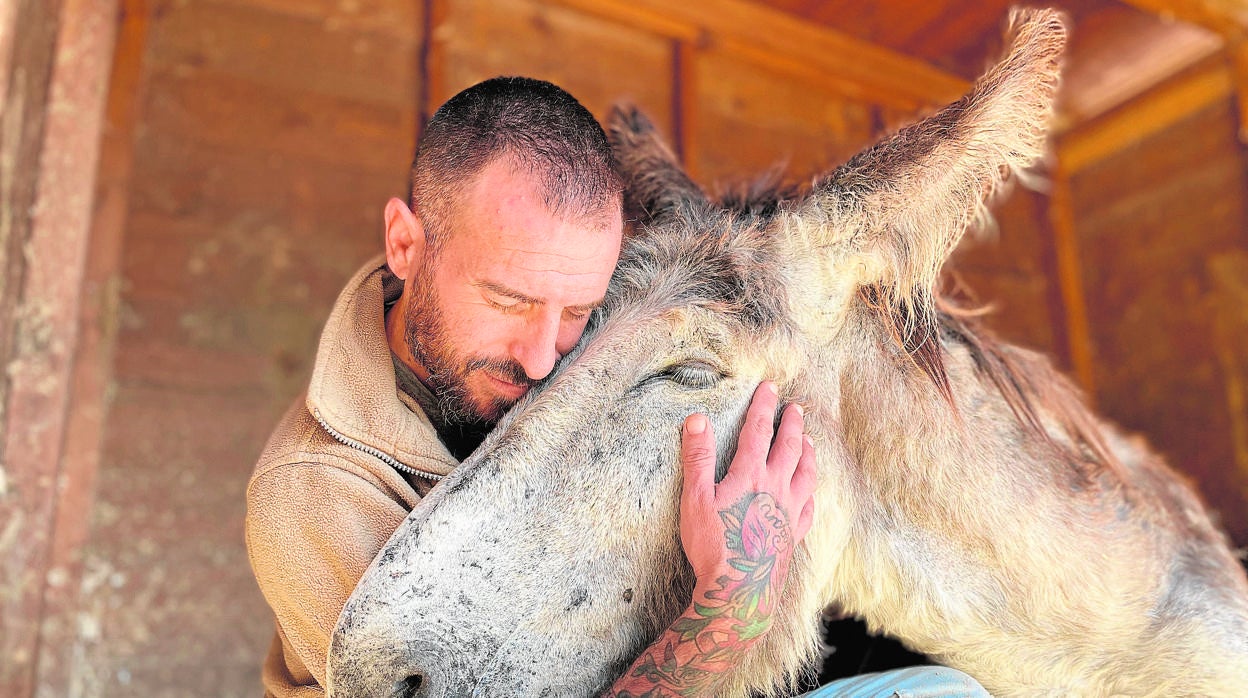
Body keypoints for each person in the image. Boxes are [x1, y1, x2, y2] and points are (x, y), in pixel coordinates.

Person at [245, 76, 986, 697]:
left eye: (576, 311)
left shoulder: (546, 352)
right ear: (405, 245)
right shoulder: (313, 494)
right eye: (507, 300)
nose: (543, 359)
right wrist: (730, 610)